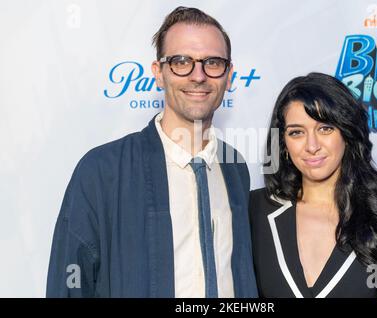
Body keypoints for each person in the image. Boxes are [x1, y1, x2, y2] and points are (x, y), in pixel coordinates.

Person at [47, 6, 257, 298]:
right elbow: (69, 285)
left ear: (229, 75)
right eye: (181, 61)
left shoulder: (235, 169)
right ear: (159, 73)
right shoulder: (102, 171)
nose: (198, 76)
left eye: (213, 62)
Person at [249, 72, 377, 298]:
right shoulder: (255, 208)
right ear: (283, 143)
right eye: (297, 132)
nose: (312, 145)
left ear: (347, 132)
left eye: (325, 128)